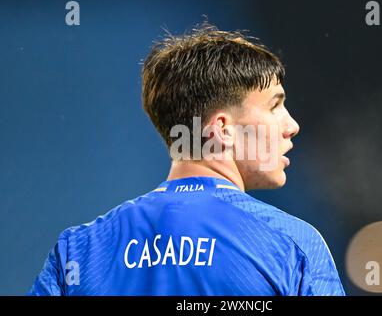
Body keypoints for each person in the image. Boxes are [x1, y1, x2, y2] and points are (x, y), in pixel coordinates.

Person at [29, 23, 345, 296]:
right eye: (275, 106)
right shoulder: (292, 244)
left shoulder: (79, 250)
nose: (292, 126)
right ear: (223, 129)